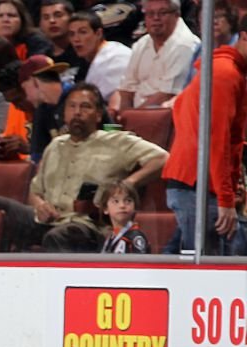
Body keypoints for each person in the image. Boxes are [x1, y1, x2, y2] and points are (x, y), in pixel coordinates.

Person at [0, 83, 167, 251]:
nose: (77, 112)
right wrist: (40, 206)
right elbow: (35, 191)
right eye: (72, 106)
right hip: (48, 221)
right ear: (64, 114)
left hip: (87, 226)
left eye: (85, 107)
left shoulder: (117, 142)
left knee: (59, 236)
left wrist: (128, 184)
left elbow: (163, 158)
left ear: (98, 114)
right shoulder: (54, 146)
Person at [161, 16, 247, 256]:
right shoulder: (224, 74)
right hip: (197, 185)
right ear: (243, 37)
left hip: (198, 183)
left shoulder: (227, 72)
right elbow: (216, 142)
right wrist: (226, 199)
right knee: (205, 267)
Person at [113, 0, 199, 113]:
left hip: (166, 117)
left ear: (176, 15)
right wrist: (122, 117)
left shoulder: (186, 46)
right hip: (135, 116)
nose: (156, 18)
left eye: (162, 13)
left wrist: (132, 116)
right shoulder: (142, 44)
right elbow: (126, 89)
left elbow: (167, 95)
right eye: (150, 13)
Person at [68, 10, 131, 103]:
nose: (76, 39)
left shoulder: (116, 56)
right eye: (72, 34)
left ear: (98, 33)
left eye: (82, 32)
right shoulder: (88, 61)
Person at [19, 54, 71, 162]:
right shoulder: (41, 112)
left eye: (25, 89)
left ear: (35, 82)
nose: (27, 97)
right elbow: (38, 157)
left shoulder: (81, 99)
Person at [98, 179, 149, 253]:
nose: (122, 206)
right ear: (105, 208)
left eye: (128, 201)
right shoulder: (110, 237)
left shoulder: (135, 237)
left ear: (135, 207)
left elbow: (139, 264)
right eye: (116, 201)